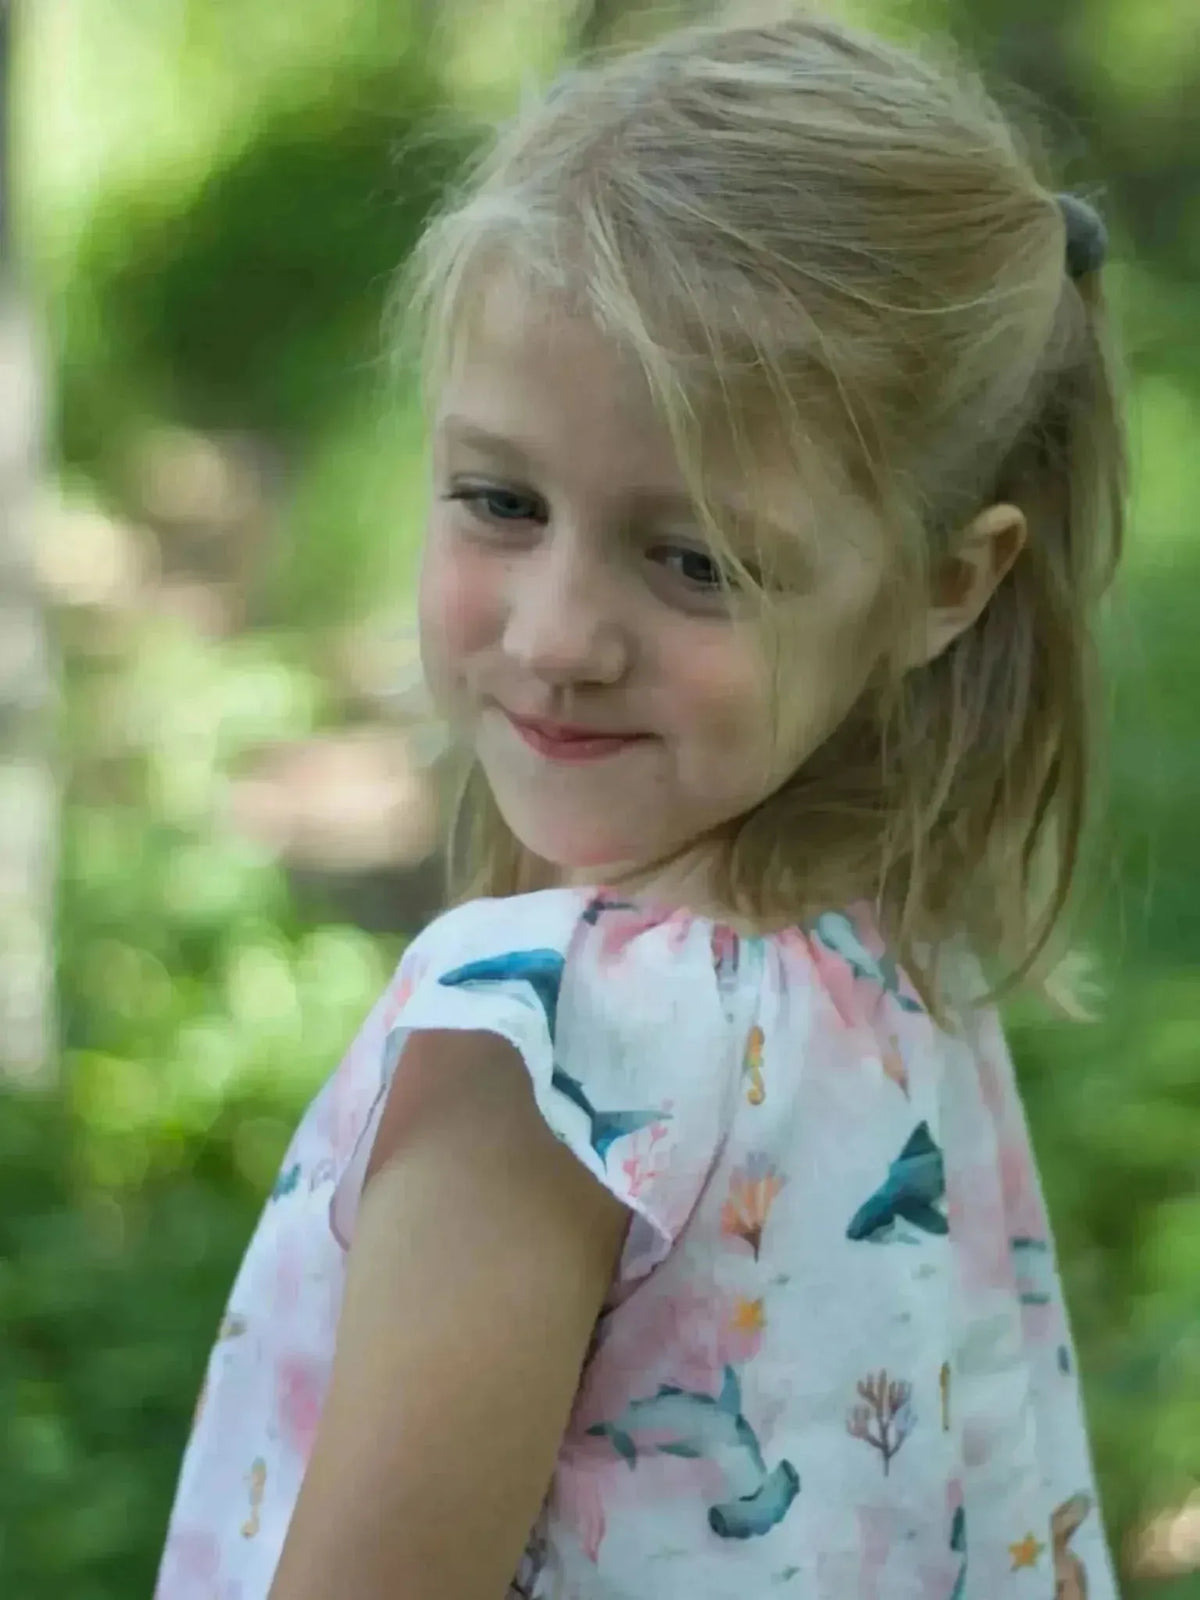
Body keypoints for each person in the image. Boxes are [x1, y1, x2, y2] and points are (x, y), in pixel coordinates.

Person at [154, 9, 1127, 1598]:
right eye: (499, 501)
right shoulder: (900, 964)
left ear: (945, 588)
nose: (552, 639)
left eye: (695, 562)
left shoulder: (542, 1058)